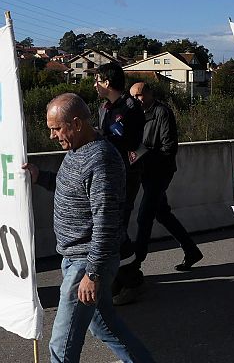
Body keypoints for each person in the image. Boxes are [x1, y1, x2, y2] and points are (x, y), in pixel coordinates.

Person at [24, 93, 154, 363]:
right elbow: (70, 187)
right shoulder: (77, 151)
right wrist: (40, 177)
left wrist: (92, 273)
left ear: (76, 123)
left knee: (61, 345)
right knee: (104, 326)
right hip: (76, 259)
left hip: (87, 262)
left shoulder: (101, 159)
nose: (52, 136)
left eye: (56, 129)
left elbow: (107, 221)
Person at [129, 82, 202, 273]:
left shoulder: (162, 113)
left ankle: (136, 263)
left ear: (149, 94)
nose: (136, 100)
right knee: (162, 213)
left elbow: (169, 147)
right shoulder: (137, 115)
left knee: (144, 216)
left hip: (160, 171)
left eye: (139, 95)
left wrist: (143, 154)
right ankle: (191, 251)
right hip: (146, 171)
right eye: (133, 97)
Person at [94, 63, 146, 305]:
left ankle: (132, 280)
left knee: (118, 228)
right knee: (111, 227)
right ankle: (117, 280)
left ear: (107, 82)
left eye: (97, 80)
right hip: (108, 172)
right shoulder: (104, 108)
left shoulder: (130, 107)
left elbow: (130, 141)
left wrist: (103, 137)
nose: (94, 85)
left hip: (126, 174)